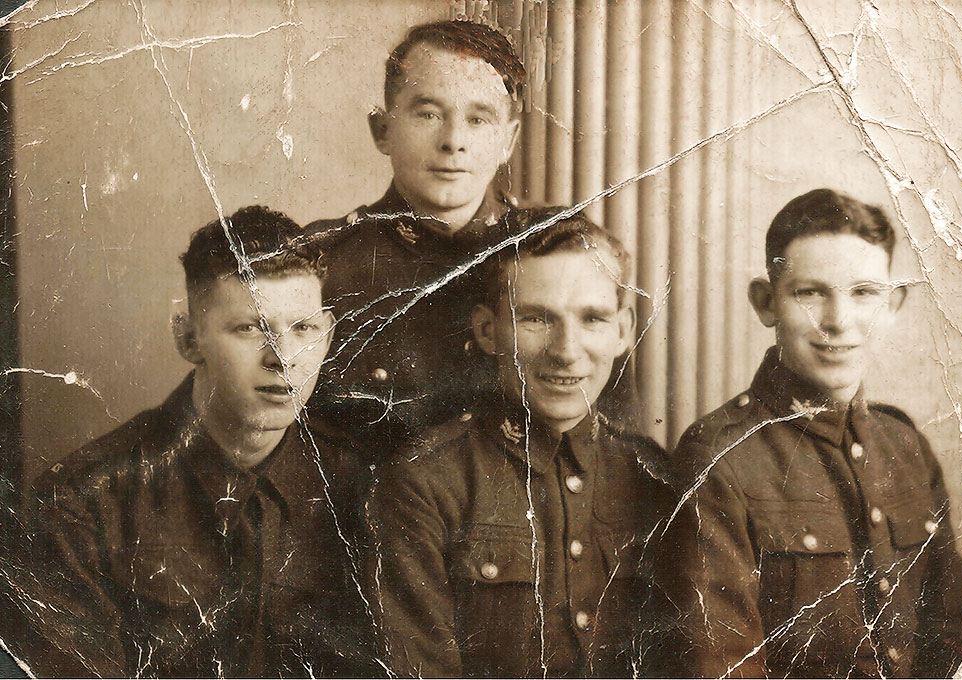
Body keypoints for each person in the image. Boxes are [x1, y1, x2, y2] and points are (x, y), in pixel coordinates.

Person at [14, 206, 377, 677]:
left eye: (303, 329)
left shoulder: (363, 486)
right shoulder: (81, 504)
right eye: (251, 328)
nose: (283, 358)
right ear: (188, 338)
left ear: (328, 336)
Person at [667, 188, 962, 678]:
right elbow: (721, 664)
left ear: (892, 304)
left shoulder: (903, 445)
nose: (838, 321)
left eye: (863, 293)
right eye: (810, 292)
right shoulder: (721, 457)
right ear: (766, 302)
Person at [367, 210, 678, 677]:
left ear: (622, 330)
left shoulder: (652, 472)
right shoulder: (425, 482)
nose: (567, 350)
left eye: (592, 318)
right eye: (536, 318)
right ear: (488, 330)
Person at [304, 20, 527, 461]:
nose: (453, 142)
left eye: (478, 119)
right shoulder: (319, 262)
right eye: (428, 114)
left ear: (509, 140)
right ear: (382, 130)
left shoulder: (553, 258)